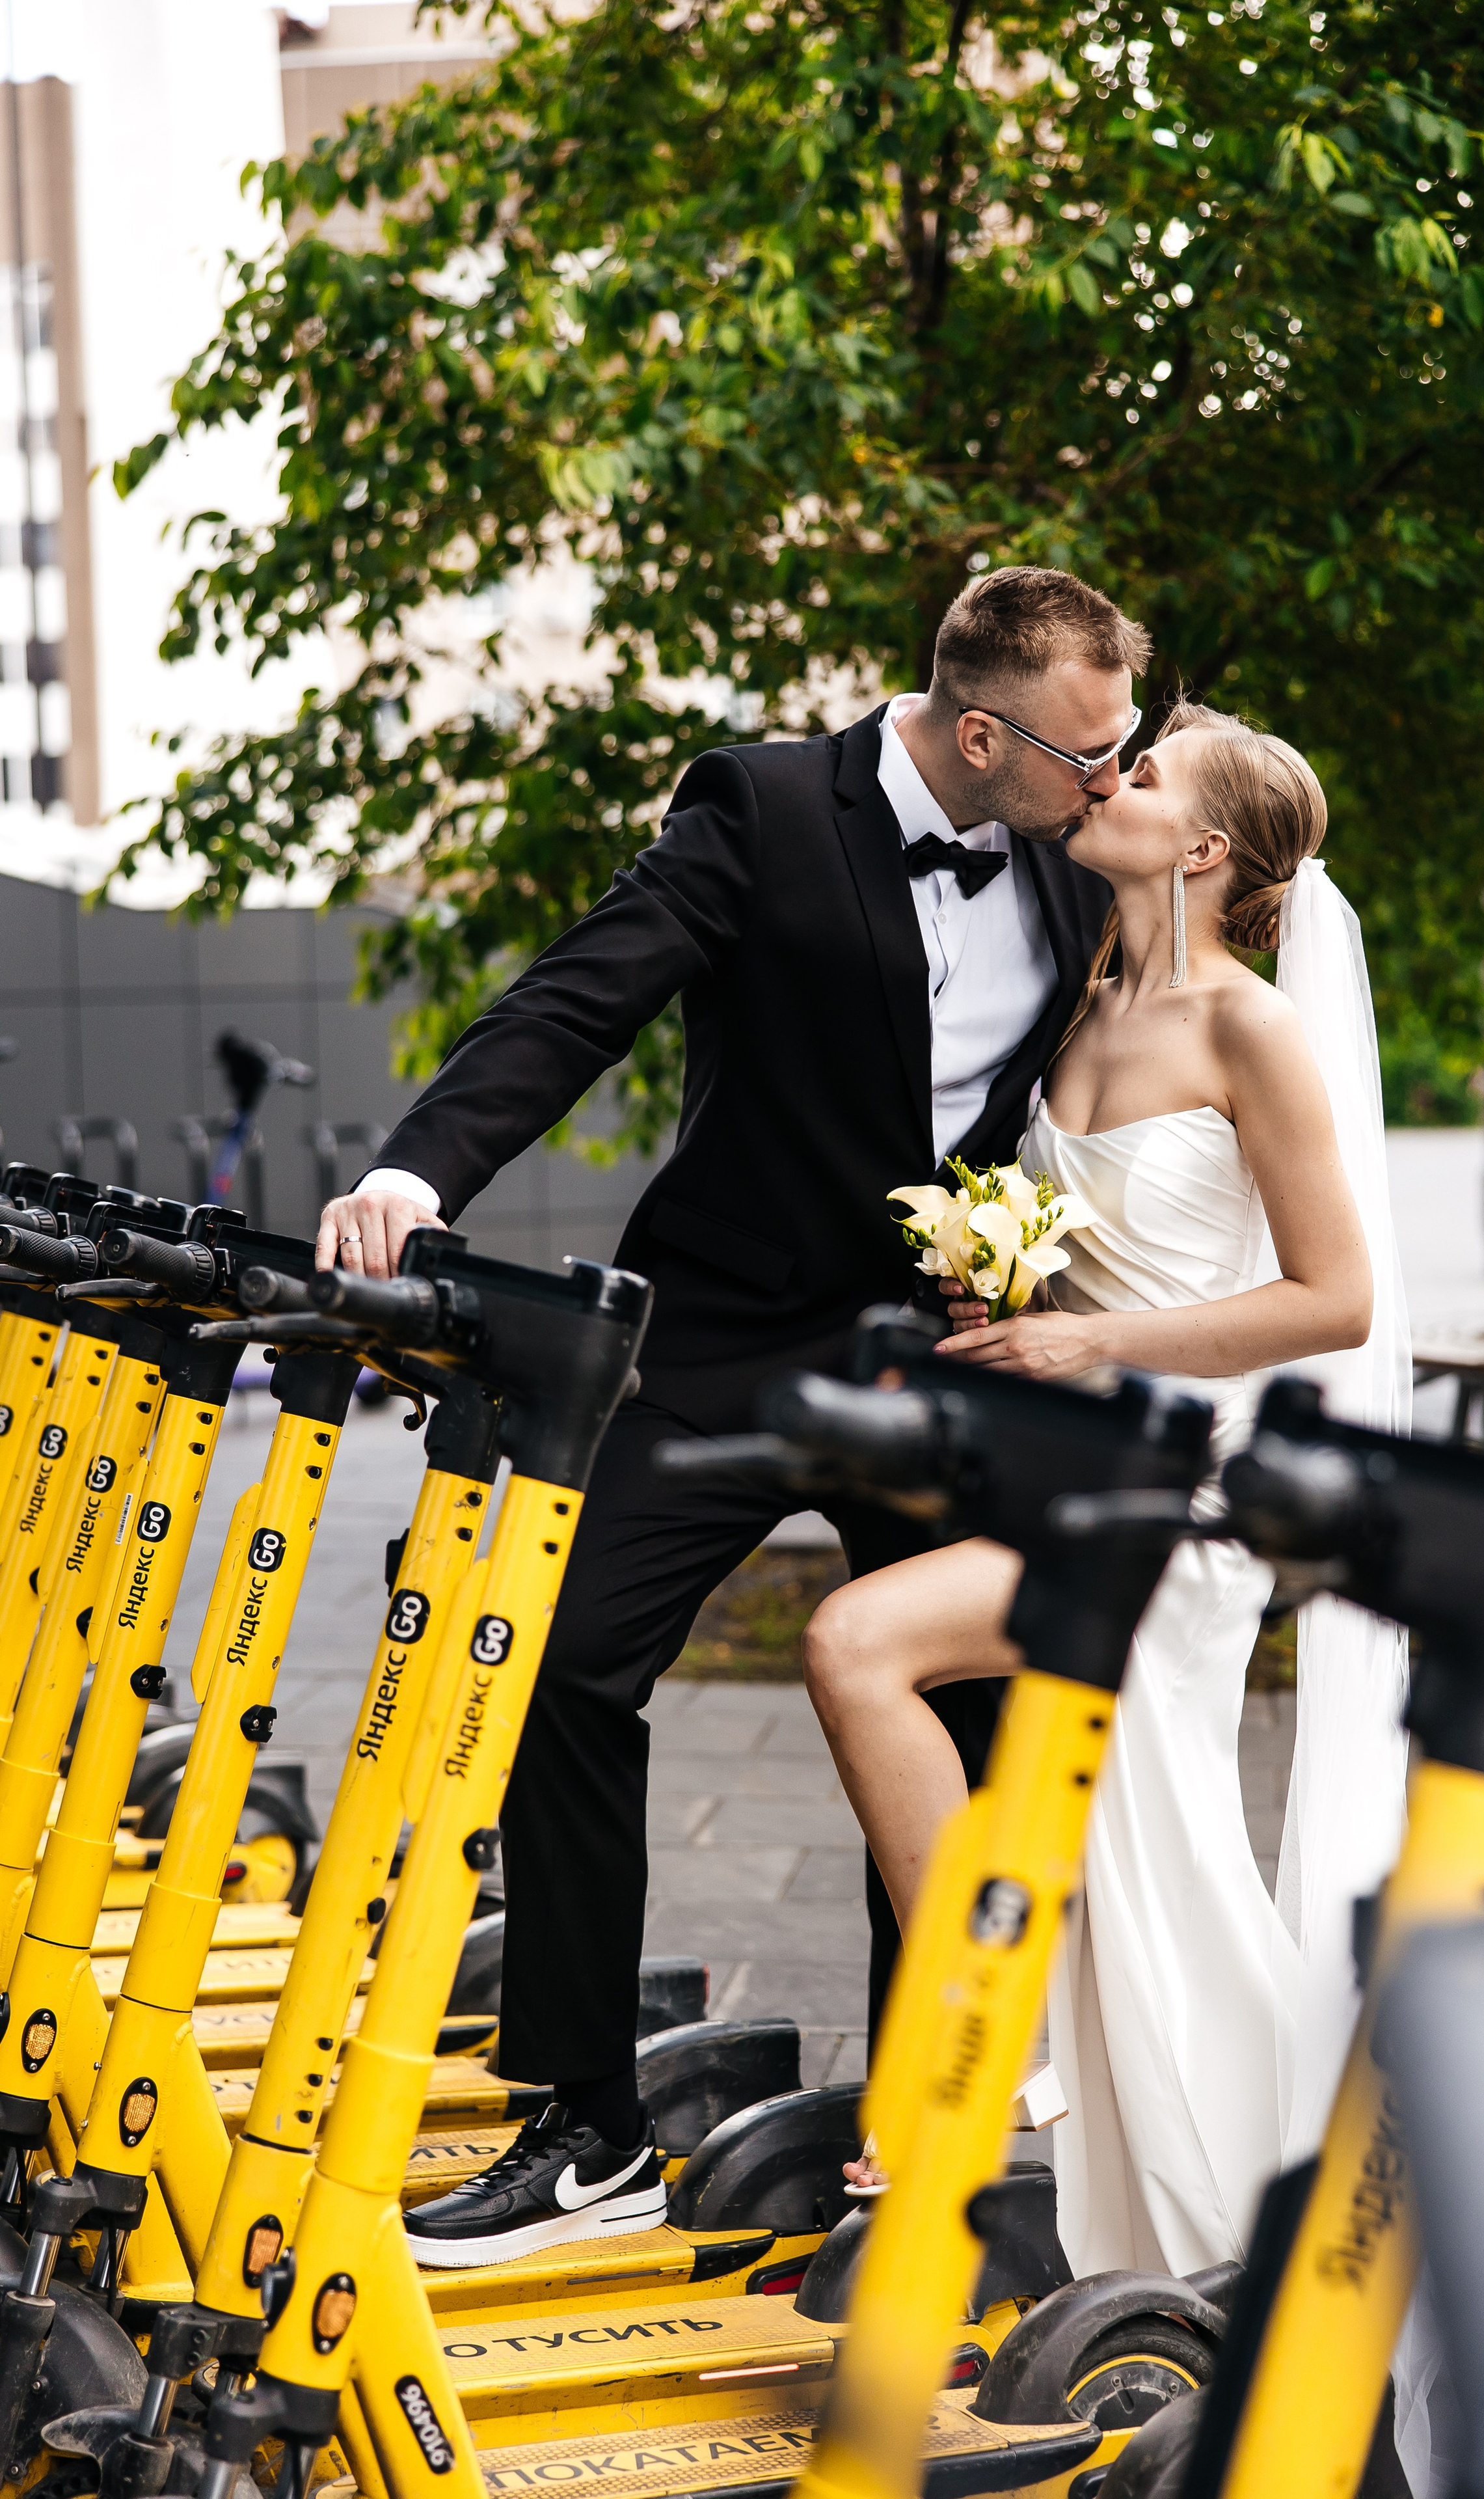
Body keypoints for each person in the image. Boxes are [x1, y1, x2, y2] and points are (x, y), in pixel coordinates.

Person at [316, 566, 1150, 2266]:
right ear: (978, 730)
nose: (1118, 774)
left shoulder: (1086, 844)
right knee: (558, 1659)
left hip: (942, 1357)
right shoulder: (762, 807)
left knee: (948, 1725)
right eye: (1087, 750)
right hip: (721, 1338)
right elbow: (576, 999)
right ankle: (587, 2126)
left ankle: (920, 2147)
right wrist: (416, 1169)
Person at [802, 700, 1412, 2286]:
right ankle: (1254, 2230)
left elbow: (1333, 1299)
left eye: (1139, 773)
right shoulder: (1082, 1000)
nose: (1105, 780)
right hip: (1064, 1476)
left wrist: (1094, 1338)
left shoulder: (1244, 1028)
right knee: (1145, 1863)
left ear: (1202, 847)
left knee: (871, 1651)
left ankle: (983, 2029)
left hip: (1176, 1496)